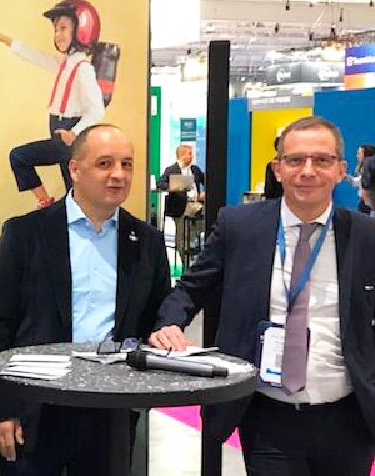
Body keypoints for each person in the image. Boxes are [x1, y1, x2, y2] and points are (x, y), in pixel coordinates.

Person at [149, 116, 375, 475]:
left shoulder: (365, 234)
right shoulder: (239, 226)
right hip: (267, 416)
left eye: (321, 160)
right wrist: (169, 323)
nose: (308, 170)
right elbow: (191, 288)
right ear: (278, 169)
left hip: (348, 419)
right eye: (295, 160)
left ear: (340, 170)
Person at [0, 124, 170, 475]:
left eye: (127, 164)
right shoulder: (25, 234)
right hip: (36, 408)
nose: (118, 175)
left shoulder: (147, 242)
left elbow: (156, 320)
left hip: (111, 411)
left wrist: (142, 391)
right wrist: (0, 408)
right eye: (105, 164)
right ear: (75, 169)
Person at [0, 0, 104, 208]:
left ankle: (50, 204)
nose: (57, 34)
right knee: (72, 191)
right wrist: (4, 39)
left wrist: (74, 133)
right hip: (59, 129)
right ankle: (50, 203)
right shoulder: (65, 63)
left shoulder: (83, 67)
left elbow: (96, 110)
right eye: (55, 29)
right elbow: (36, 56)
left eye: (63, 28)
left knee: (20, 157)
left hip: (69, 132)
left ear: (81, 30)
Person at [156, 144, 205, 263]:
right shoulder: (171, 170)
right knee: (182, 233)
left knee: (203, 219)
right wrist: (172, 187)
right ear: (181, 155)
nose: (192, 156)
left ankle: (194, 247)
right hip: (180, 205)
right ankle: (185, 259)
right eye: (189, 154)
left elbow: (207, 180)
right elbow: (160, 183)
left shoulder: (195, 170)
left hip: (196, 203)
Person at [353, 144, 375, 214]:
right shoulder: (360, 168)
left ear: (366, 154)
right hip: (364, 202)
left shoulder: (370, 167)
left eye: (359, 153)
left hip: (370, 203)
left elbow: (359, 182)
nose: (357, 156)